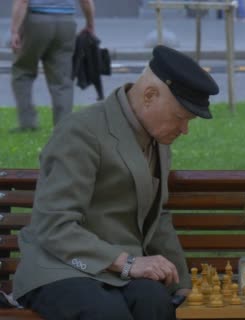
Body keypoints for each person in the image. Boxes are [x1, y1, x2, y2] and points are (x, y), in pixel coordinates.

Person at [12, 45, 220, 320]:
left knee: (156, 302)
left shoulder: (157, 139)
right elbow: (54, 226)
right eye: (180, 117)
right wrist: (128, 263)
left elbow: (157, 218)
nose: (185, 130)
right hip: (58, 268)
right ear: (149, 96)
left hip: (117, 273)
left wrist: (182, 283)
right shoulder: (81, 132)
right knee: (107, 314)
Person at [9, 0, 95, 132]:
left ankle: (27, 123)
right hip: (66, 22)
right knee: (62, 79)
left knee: (23, 70)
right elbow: (86, 1)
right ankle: (63, 126)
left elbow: (22, 1)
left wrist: (15, 31)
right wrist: (90, 24)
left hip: (36, 20)